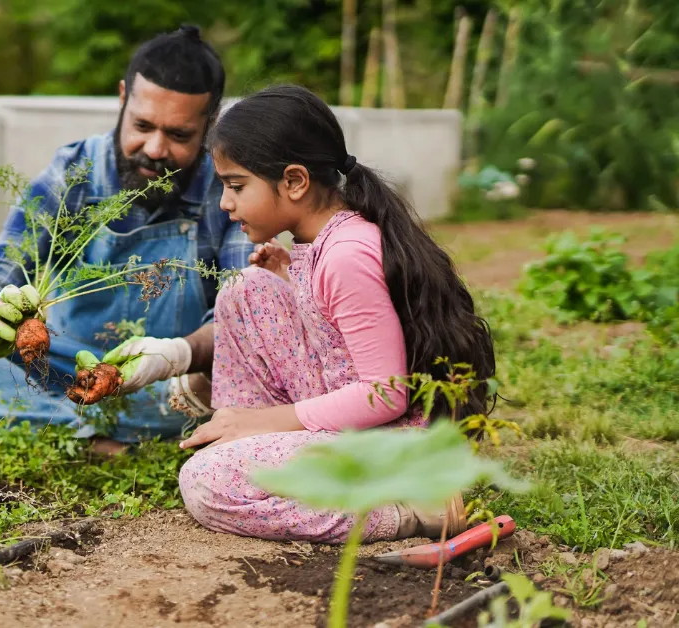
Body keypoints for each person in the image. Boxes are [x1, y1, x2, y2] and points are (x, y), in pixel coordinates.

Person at [0, 25, 252, 454]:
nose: (154, 149)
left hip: (158, 379)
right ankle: (94, 434)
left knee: (219, 386)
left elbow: (241, 316)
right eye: (142, 125)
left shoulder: (227, 189)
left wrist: (174, 356)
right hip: (56, 364)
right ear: (122, 97)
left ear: (210, 123)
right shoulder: (76, 172)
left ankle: (22, 416)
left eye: (178, 135)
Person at [176, 84, 497, 543]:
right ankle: (246, 440)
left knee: (207, 482)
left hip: (395, 437)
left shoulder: (347, 253)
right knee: (246, 290)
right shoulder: (324, 239)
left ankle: (409, 508)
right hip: (348, 410)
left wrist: (263, 421)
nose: (226, 203)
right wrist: (291, 277)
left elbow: (386, 396)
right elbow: (337, 333)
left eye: (236, 186)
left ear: (294, 181)